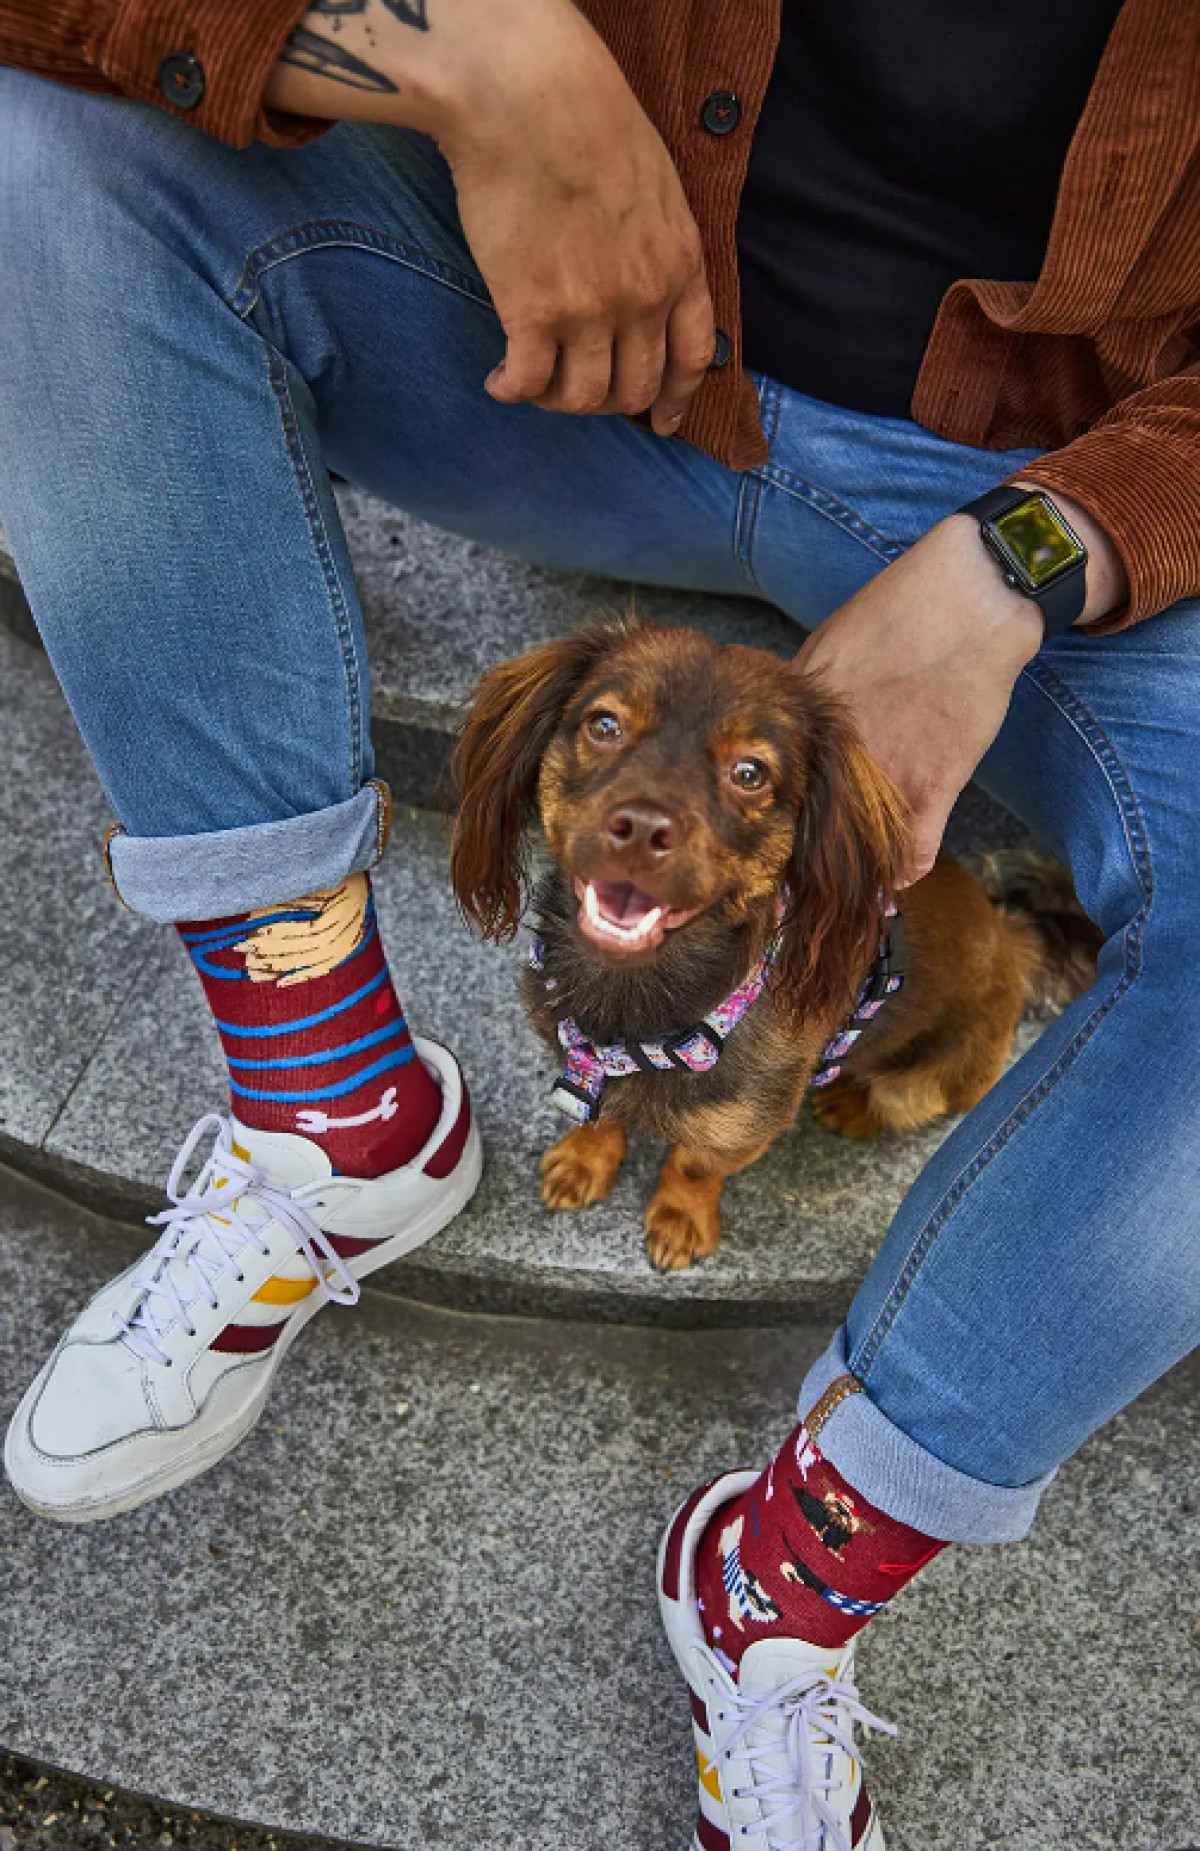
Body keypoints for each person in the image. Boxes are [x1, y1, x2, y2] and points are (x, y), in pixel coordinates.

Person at [0, 0, 1197, 1841]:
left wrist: (1036, 552)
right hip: (569, 349)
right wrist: (478, 57)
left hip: (1053, 483)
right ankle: (335, 1110)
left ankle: (780, 1585)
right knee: (42, 163)